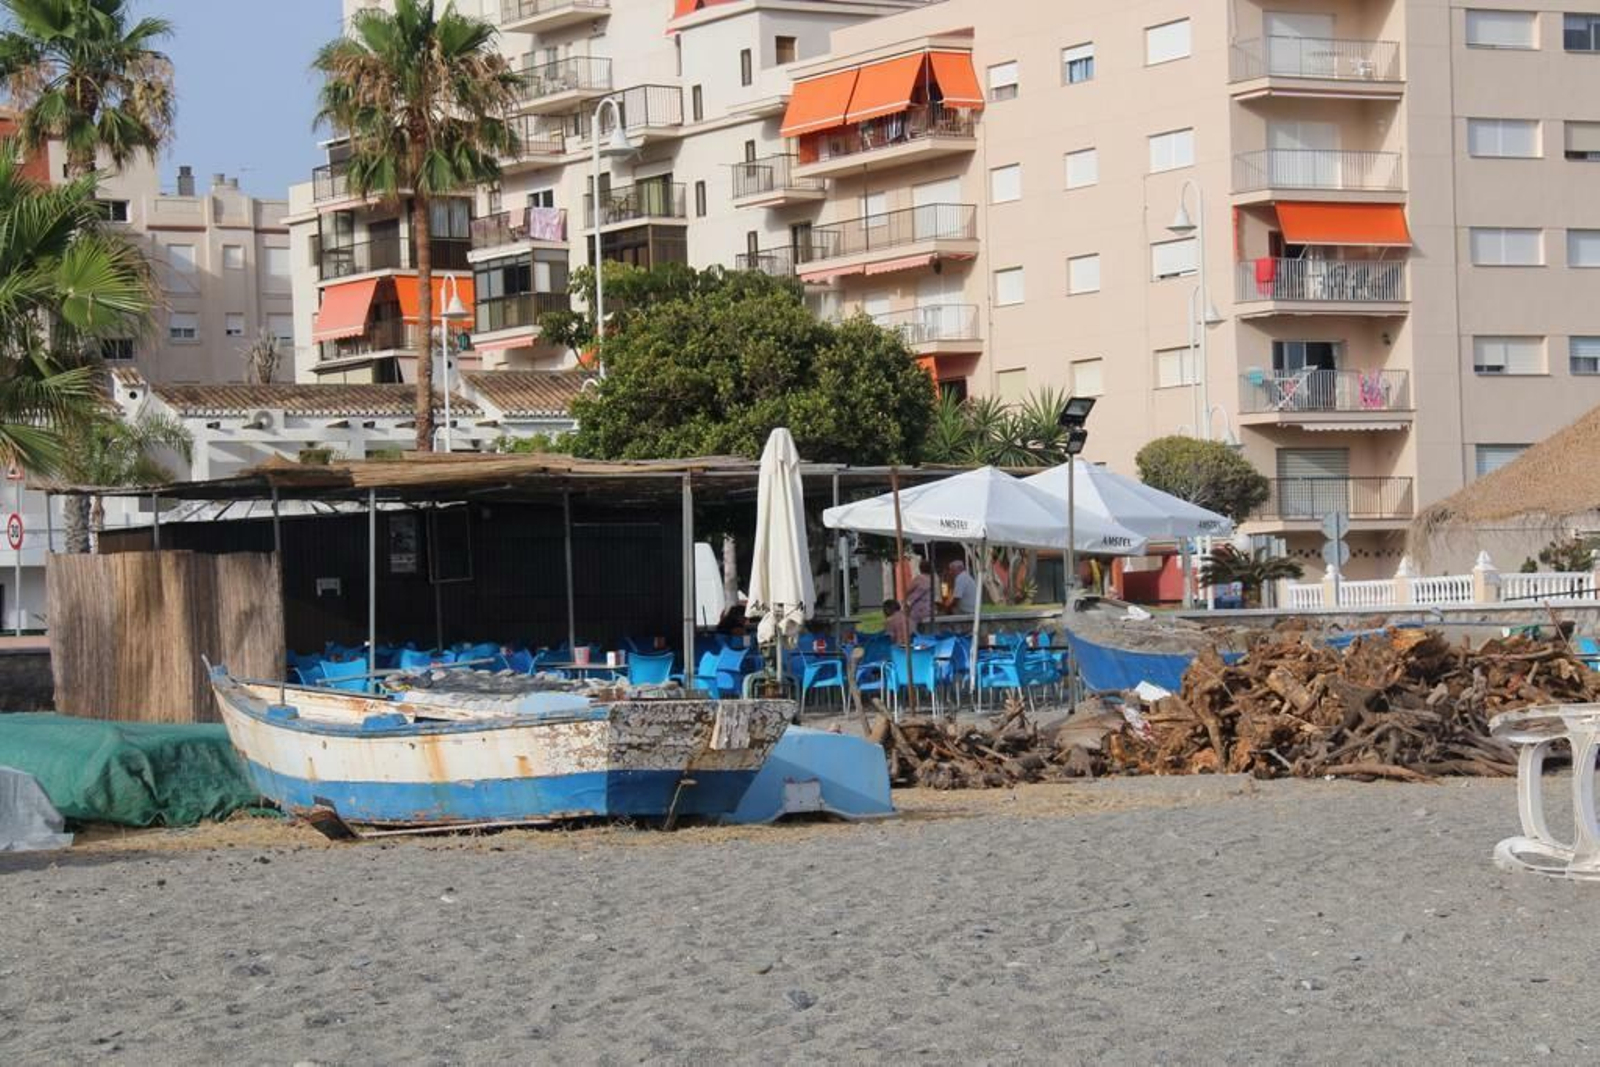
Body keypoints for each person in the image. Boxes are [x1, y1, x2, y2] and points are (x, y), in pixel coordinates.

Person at [904, 558, 934, 626]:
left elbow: (908, 591)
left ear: (920, 568)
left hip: (918, 609)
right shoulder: (933, 579)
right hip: (930, 608)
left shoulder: (919, 579)